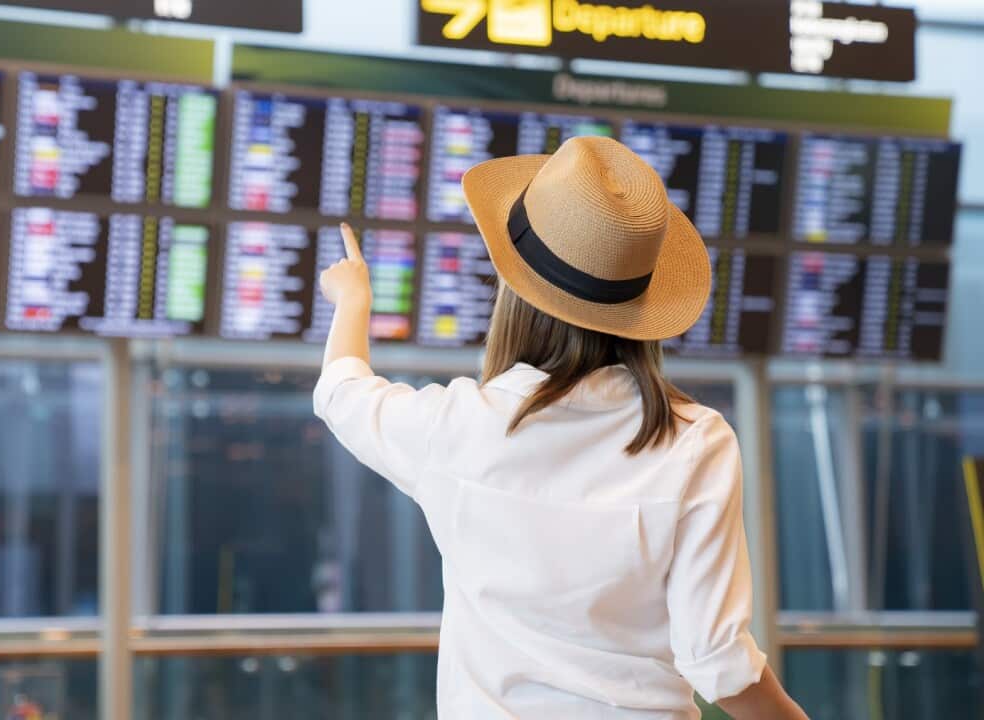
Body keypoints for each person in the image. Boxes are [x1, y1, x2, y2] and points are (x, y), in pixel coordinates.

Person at [314, 137, 807, 720]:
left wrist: (353, 298)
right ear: (640, 311)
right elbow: (717, 661)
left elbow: (342, 392)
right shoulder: (696, 442)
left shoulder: (458, 427)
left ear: (515, 294)